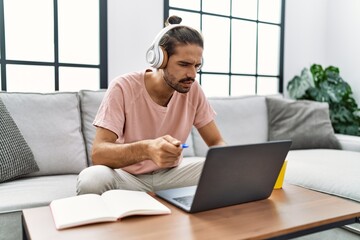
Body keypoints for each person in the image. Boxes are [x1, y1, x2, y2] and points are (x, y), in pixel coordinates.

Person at [76, 15, 226, 195]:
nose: (192, 74)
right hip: (127, 177)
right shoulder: (123, 87)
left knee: (222, 171)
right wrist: (147, 149)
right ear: (160, 59)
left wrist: (233, 163)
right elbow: (99, 153)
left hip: (172, 176)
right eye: (184, 64)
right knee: (92, 179)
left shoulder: (193, 90)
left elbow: (216, 141)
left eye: (197, 66)